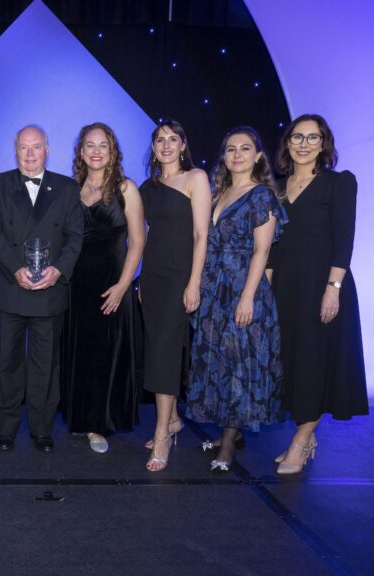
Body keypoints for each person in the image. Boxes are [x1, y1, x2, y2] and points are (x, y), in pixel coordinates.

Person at [268, 114, 368, 474]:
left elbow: (345, 240)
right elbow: (273, 246)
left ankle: (300, 441)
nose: (304, 144)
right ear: (288, 142)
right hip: (286, 287)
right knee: (294, 363)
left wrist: (333, 289)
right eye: (298, 137)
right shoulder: (277, 187)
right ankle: (304, 434)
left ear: (324, 144)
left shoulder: (338, 183)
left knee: (315, 362)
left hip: (323, 285)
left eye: (313, 138)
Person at [186, 126, 287, 473]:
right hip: (215, 289)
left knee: (240, 366)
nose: (237, 154)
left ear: (258, 155)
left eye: (245, 148)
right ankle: (229, 431)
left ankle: (229, 443)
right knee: (219, 362)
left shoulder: (262, 196)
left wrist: (246, 298)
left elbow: (262, 252)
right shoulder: (219, 193)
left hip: (244, 289)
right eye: (231, 149)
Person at [0, 125, 84, 452]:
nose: (29, 153)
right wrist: (15, 269)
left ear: (47, 149)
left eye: (36, 147)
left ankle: (42, 430)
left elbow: (75, 237)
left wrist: (58, 270)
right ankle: (6, 429)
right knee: (7, 363)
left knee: (46, 364)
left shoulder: (68, 188)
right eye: (23, 147)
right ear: (15, 150)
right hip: (10, 288)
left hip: (50, 290)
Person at [61, 122, 144, 453]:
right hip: (75, 286)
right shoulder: (72, 190)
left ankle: (98, 424)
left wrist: (124, 285)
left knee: (104, 354)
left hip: (111, 284)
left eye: (103, 146)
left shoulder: (125, 188)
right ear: (81, 152)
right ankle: (80, 419)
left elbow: (138, 241)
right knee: (78, 352)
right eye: (89, 145)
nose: (96, 151)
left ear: (112, 153)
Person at [140, 120, 211, 471]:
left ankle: (162, 432)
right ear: (153, 147)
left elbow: (202, 235)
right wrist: (139, 281)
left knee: (166, 352)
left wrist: (194, 282)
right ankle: (170, 421)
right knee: (156, 351)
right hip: (151, 279)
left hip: (180, 277)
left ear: (183, 145)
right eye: (159, 140)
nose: (166, 145)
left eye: (172, 139)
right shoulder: (148, 187)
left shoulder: (196, 178)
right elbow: (143, 237)